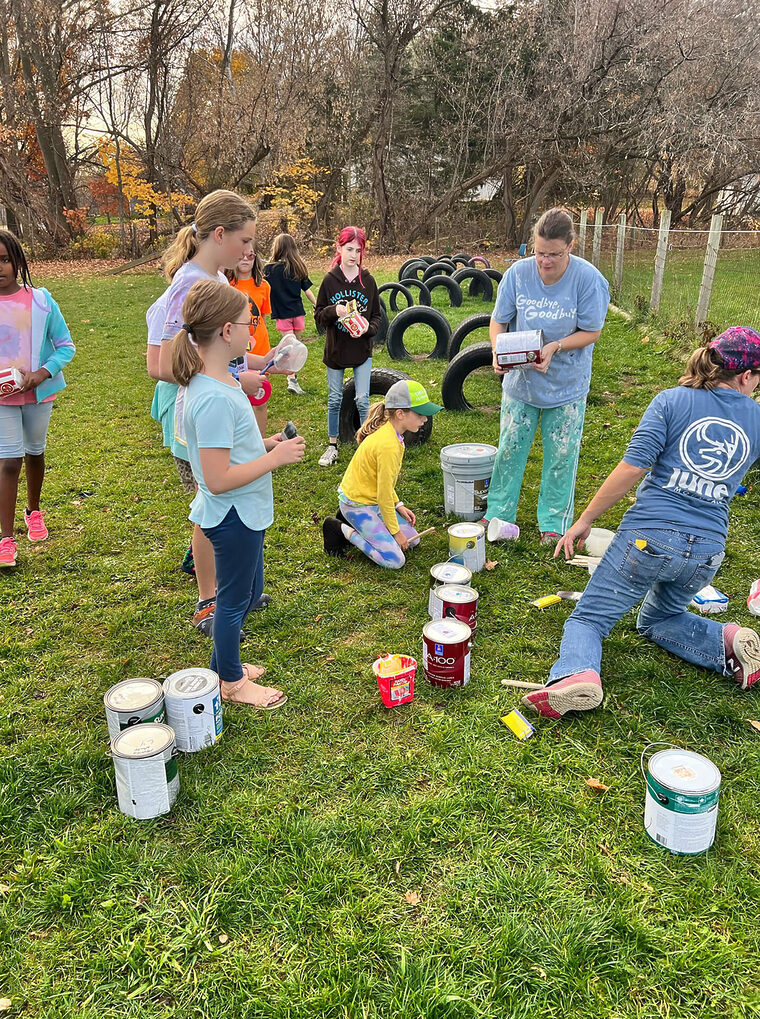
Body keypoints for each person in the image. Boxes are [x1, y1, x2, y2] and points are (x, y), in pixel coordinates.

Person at [522, 327, 760, 720]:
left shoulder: (671, 401)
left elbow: (633, 468)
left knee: (589, 619)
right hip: (707, 553)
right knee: (659, 619)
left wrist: (585, 520)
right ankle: (726, 642)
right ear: (746, 376)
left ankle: (577, 673)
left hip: (649, 539)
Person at [172, 278, 306, 708]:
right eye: (249, 323)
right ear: (227, 331)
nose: (254, 330)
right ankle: (231, 681)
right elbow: (216, 478)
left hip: (243, 511)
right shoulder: (212, 396)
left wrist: (264, 444)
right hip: (232, 516)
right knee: (232, 602)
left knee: (249, 591)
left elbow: (231, 449)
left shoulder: (223, 381)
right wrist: (275, 459)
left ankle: (221, 667)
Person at [147, 189, 267, 635]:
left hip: (216, 406)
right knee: (209, 509)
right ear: (219, 234)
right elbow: (161, 364)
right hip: (195, 414)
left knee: (215, 505)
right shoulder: (190, 283)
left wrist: (262, 363)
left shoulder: (212, 276)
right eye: (244, 241)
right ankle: (208, 600)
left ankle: (230, 587)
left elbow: (219, 348)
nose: (249, 251)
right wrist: (236, 378)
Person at [486, 207, 610, 544]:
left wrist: (556, 346)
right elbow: (499, 320)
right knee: (509, 450)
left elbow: (592, 331)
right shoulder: (518, 274)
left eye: (554, 254)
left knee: (561, 456)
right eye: (540, 252)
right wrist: (497, 349)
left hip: (566, 386)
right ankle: (498, 514)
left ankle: (554, 523)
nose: (545, 261)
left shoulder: (588, 279)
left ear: (570, 245)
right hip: (521, 384)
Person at [0, 230, 75, 567]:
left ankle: (33, 511)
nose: (0, 267)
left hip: (38, 395)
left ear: (18, 262)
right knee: (8, 461)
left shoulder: (41, 301)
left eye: (5, 259)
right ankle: (6, 539)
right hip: (2, 399)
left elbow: (65, 346)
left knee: (34, 452)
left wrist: (42, 373)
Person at [322, 379, 440, 568]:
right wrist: (396, 533)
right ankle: (339, 528)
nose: (425, 419)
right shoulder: (387, 446)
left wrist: (398, 505)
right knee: (395, 561)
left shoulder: (393, 434)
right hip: (357, 504)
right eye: (420, 414)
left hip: (373, 501)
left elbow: (385, 483)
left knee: (413, 540)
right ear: (400, 414)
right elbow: (384, 494)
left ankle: (356, 522)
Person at [314, 226, 381, 467]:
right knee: (335, 399)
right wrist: (335, 310)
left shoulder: (368, 281)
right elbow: (319, 316)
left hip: (361, 350)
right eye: (349, 249)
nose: (354, 255)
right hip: (336, 351)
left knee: (362, 400)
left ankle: (366, 446)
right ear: (339, 248)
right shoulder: (329, 281)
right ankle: (332, 445)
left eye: (358, 250)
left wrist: (367, 329)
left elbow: (377, 316)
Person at [264, 233, 316, 396]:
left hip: (282, 314)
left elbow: (263, 289)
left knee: (290, 347)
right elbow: (308, 291)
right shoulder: (298, 267)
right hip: (297, 312)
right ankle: (292, 378)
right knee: (296, 346)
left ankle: (291, 376)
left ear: (277, 248)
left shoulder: (269, 270)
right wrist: (316, 304)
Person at [230, 245, 272, 436]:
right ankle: (240, 439)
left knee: (259, 399)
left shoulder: (264, 286)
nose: (246, 259)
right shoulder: (227, 285)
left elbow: (262, 318)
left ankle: (260, 442)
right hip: (236, 351)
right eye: (242, 255)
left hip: (260, 349)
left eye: (251, 255)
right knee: (237, 399)